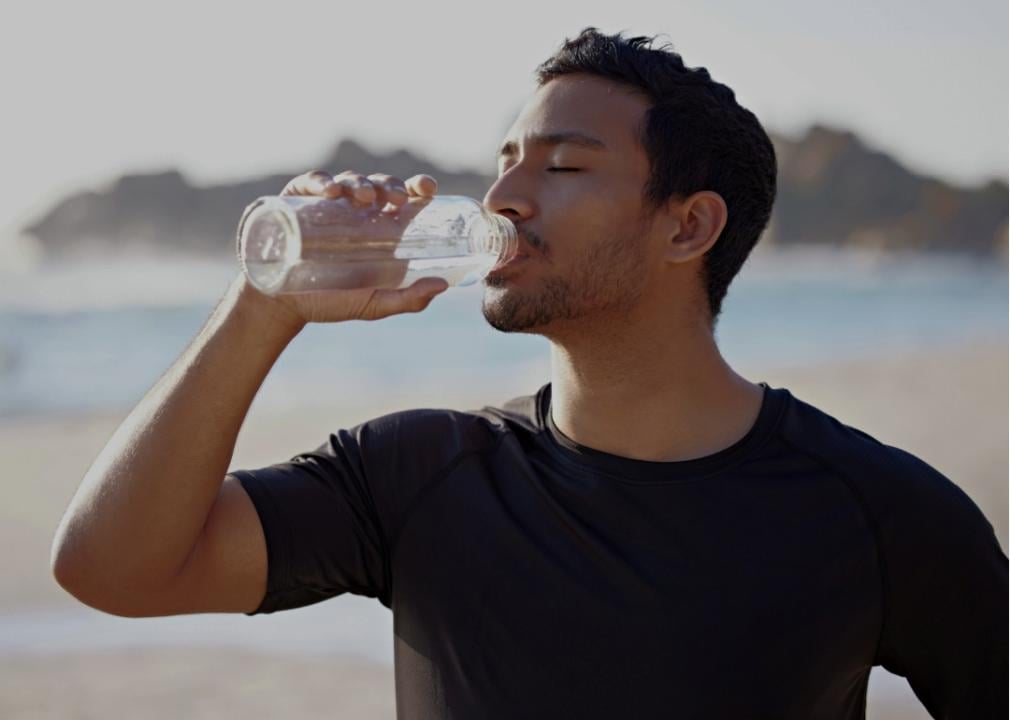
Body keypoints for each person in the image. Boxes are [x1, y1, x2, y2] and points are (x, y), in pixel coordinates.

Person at [52, 27, 1006, 719]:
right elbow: (112, 568)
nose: (504, 195)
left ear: (689, 225)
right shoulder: (418, 473)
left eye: (563, 165)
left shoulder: (874, 513)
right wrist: (264, 304)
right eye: (507, 159)